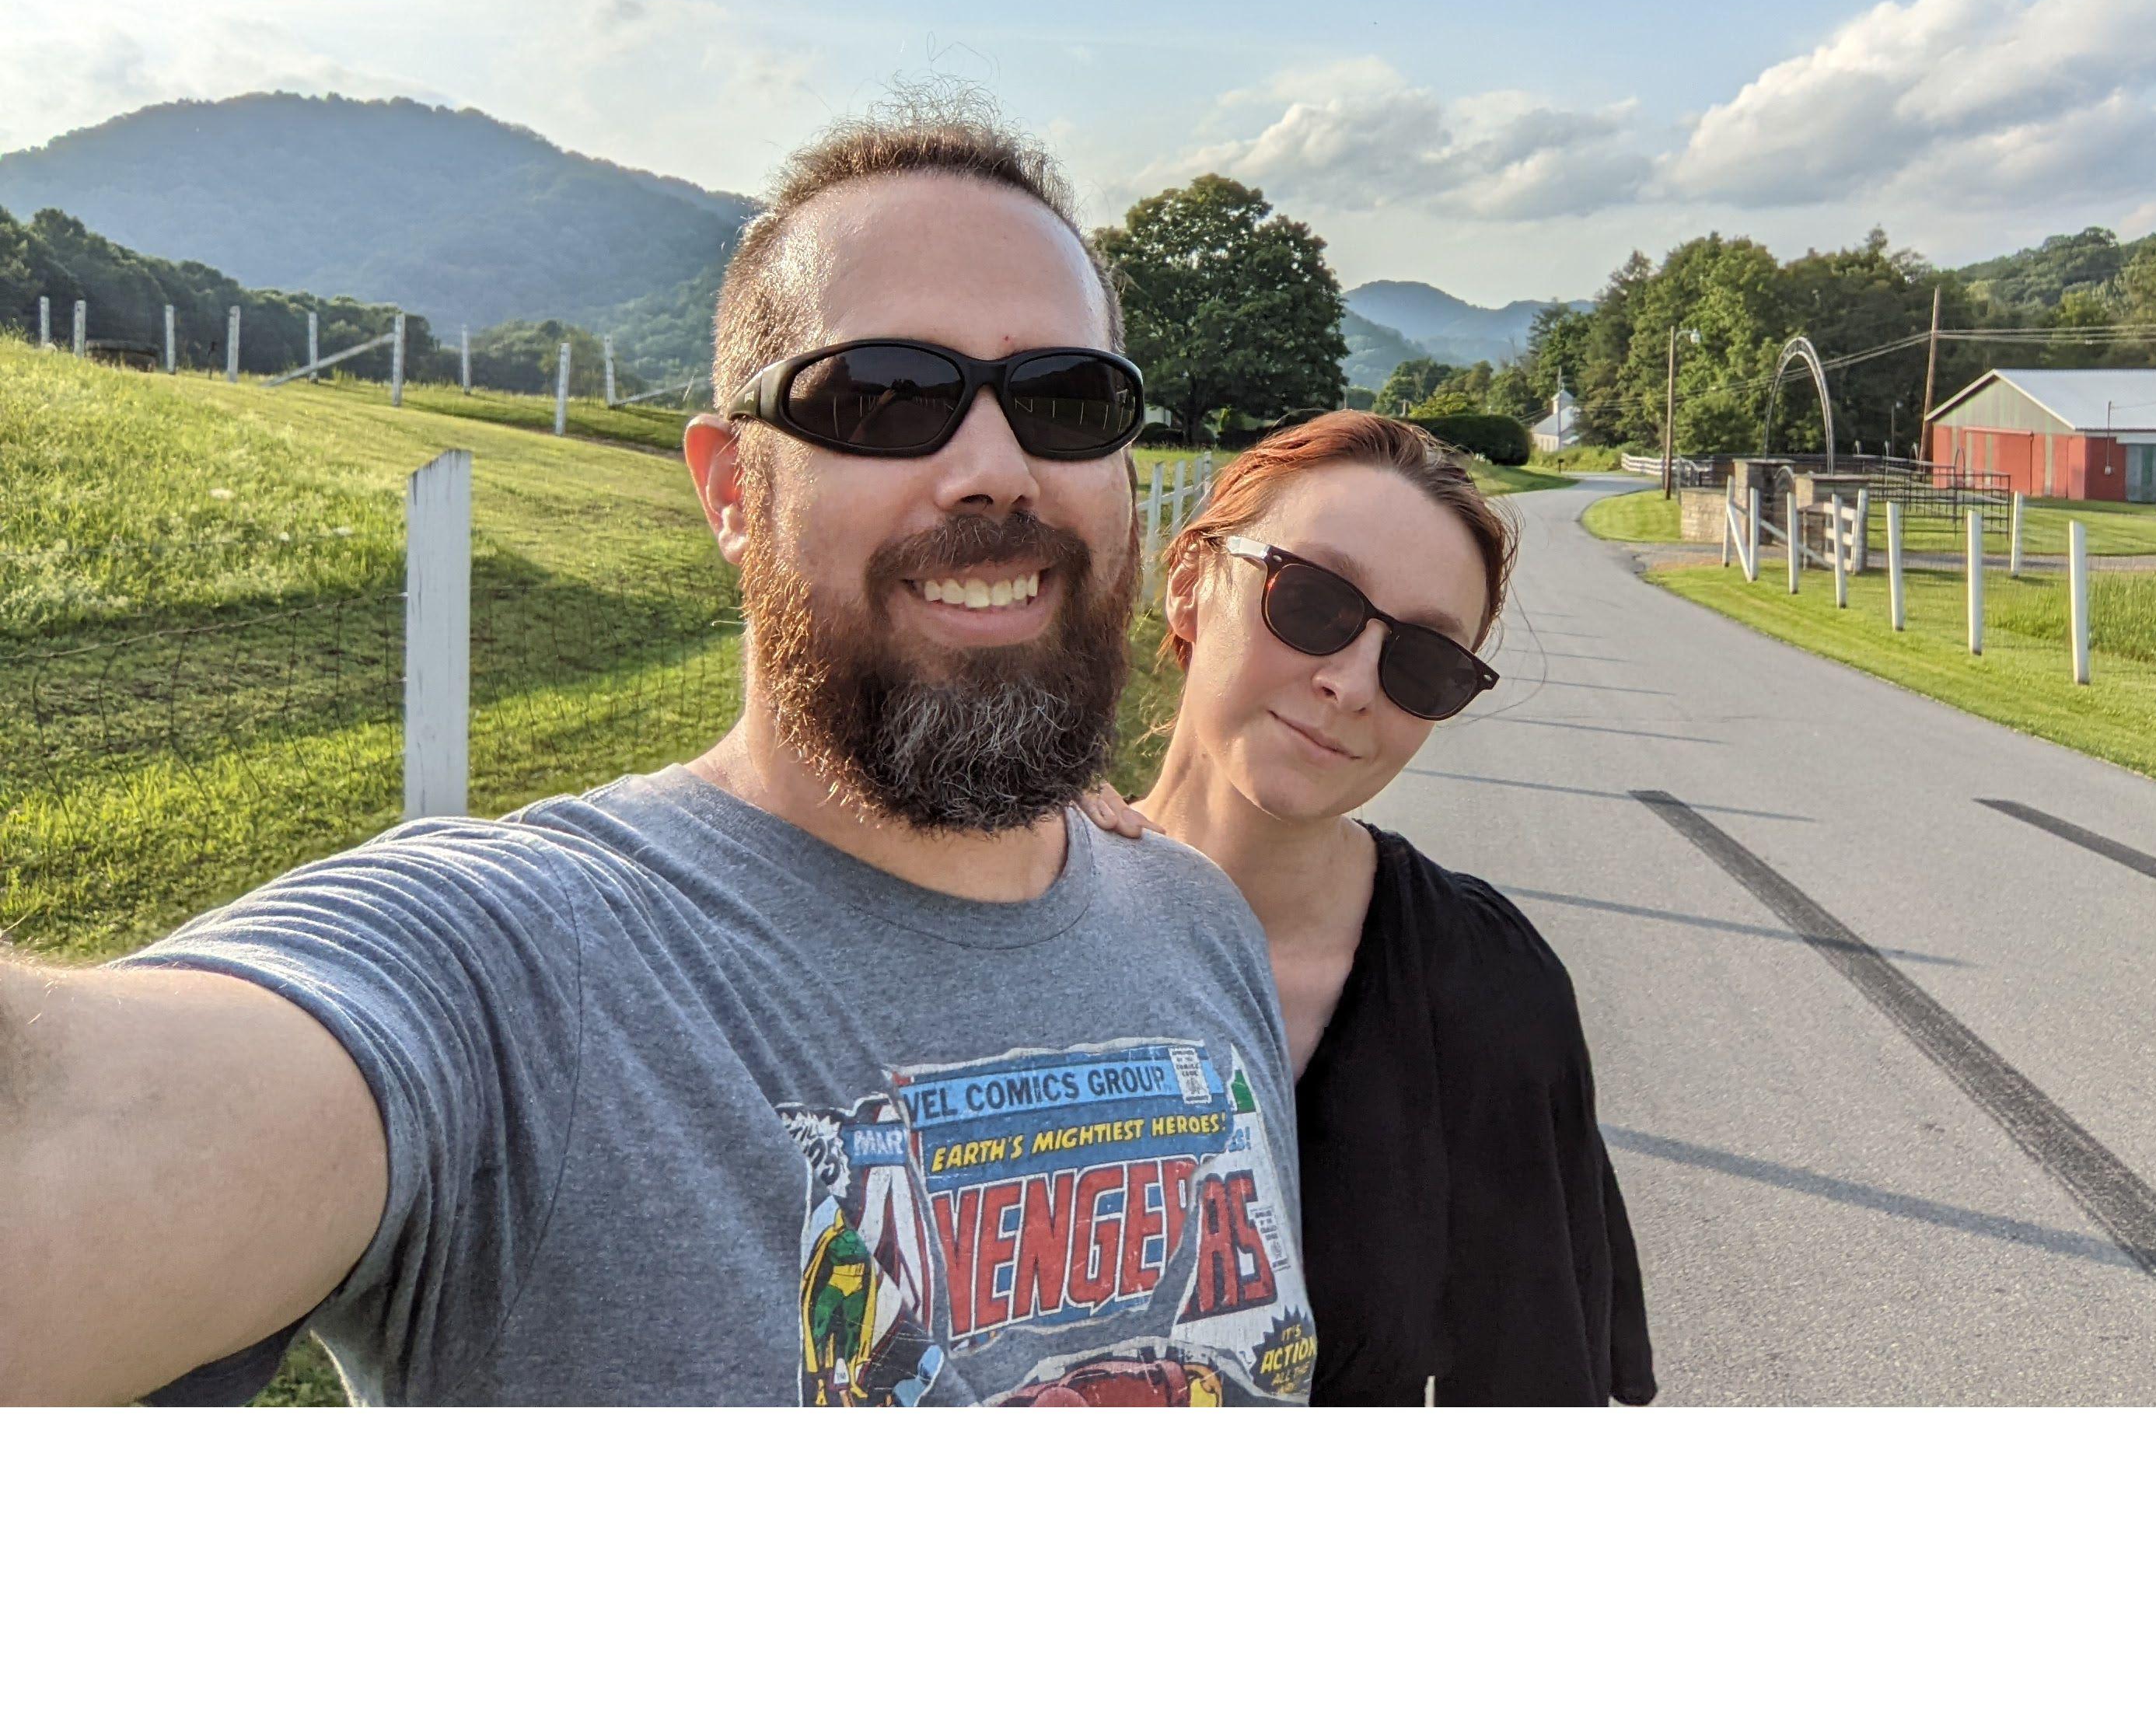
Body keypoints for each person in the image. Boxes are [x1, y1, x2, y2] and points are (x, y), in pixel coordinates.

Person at [0, 105, 1313, 1407]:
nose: (993, 466)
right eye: (883, 395)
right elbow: (74, 1115)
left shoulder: (1195, 921)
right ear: (733, 492)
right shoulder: (526, 967)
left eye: (1065, 400)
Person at [1095, 411, 1655, 1407]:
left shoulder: (1488, 993)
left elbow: (1530, 1377)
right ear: (1189, 583)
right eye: (1310, 601)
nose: (1351, 683)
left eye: (1424, 665)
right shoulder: (993, 917)